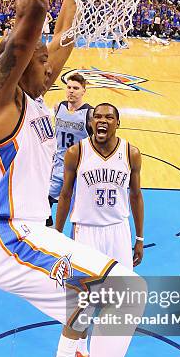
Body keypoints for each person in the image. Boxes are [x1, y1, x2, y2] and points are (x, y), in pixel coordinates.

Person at [0, 0, 144, 357]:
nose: (47, 62)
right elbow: (33, 16)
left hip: (32, 233)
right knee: (124, 294)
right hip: (7, 236)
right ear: (15, 63)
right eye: (34, 56)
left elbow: (61, 32)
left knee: (104, 304)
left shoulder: (39, 101)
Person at [55, 102, 144, 271]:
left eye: (109, 117)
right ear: (91, 123)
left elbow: (136, 195)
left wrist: (139, 238)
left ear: (118, 123)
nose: (102, 120)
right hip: (85, 230)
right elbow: (65, 195)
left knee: (120, 290)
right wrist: (57, 236)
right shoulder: (76, 152)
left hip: (118, 229)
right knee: (85, 291)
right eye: (97, 117)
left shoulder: (131, 153)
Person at [48, 72, 92, 224]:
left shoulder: (89, 114)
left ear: (83, 91)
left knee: (77, 208)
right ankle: (47, 231)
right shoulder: (58, 107)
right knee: (45, 201)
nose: (71, 91)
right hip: (58, 164)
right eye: (68, 87)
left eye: (76, 88)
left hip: (78, 167)